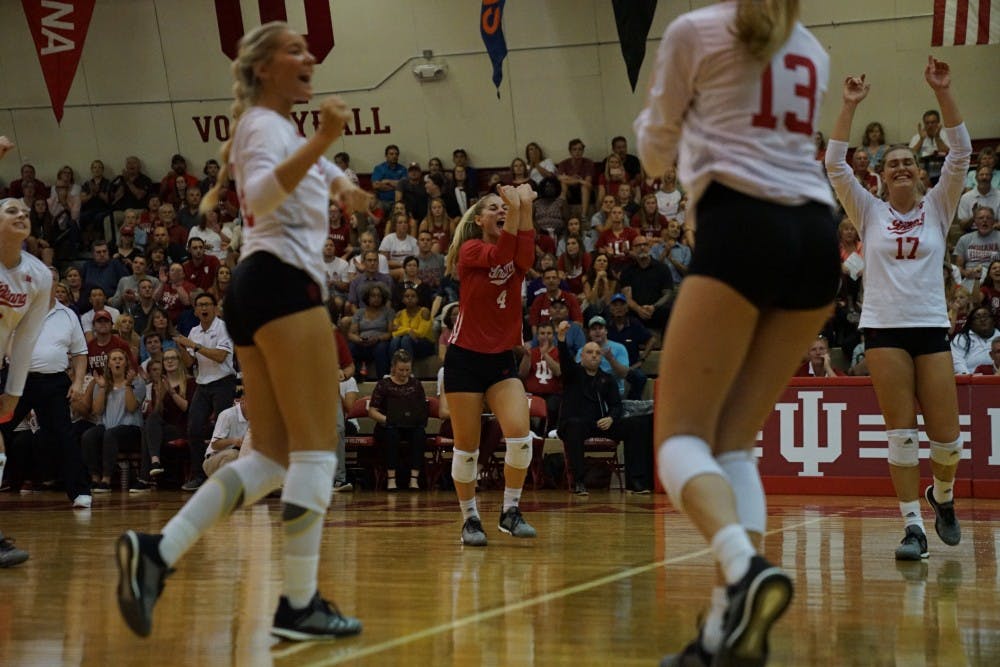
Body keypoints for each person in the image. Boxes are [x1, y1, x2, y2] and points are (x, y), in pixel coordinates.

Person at [115, 22, 368, 641]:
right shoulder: (262, 124)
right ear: (262, 69)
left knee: (273, 456)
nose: (309, 56)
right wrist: (329, 140)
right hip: (282, 285)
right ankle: (299, 605)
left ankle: (157, 553)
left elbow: (301, 177)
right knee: (314, 452)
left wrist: (339, 182)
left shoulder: (280, 128)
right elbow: (259, 192)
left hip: (258, 287)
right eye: (294, 49)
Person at [635, 3, 842, 665]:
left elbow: (655, 151)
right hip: (816, 235)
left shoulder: (695, 30)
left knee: (678, 438)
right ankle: (729, 630)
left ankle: (743, 567)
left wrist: (654, 125)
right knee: (734, 443)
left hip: (741, 220)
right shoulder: (809, 44)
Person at [826, 58, 970, 569]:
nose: (902, 168)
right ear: (882, 177)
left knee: (948, 442)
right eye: (893, 164)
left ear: (920, 171)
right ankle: (912, 524)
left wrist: (944, 91)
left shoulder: (939, 205)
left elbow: (962, 151)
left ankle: (943, 498)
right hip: (884, 329)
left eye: (909, 162)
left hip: (930, 326)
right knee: (902, 435)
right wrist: (848, 105)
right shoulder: (867, 211)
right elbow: (835, 166)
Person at [443, 183, 536, 546]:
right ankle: (470, 519)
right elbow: (499, 258)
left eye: (503, 207)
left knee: (520, 436)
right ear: (479, 219)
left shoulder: (513, 252)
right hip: (464, 358)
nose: (501, 211)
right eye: (494, 207)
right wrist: (514, 209)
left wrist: (524, 206)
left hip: (500, 359)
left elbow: (520, 258)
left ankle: (510, 512)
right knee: (467, 448)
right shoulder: (471, 250)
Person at [0, 137, 57, 568]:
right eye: (9, 209)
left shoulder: (37, 276)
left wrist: (14, 392)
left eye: (24, 210)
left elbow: (26, 338)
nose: (21, 213)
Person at [367, 350, 427, 490]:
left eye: (407, 370)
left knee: (420, 433)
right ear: (393, 367)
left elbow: (422, 408)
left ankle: (414, 478)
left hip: (410, 426)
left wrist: (417, 418)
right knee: (391, 434)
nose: (404, 373)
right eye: (401, 370)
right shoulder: (383, 384)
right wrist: (388, 419)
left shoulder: (416, 385)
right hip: (387, 425)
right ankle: (391, 478)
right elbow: (372, 411)